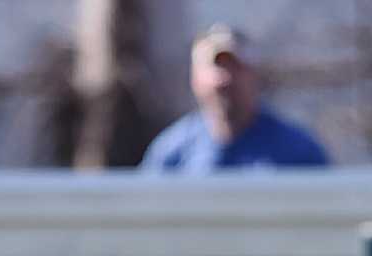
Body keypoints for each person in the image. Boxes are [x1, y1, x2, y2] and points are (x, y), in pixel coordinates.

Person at [138, 25, 328, 173]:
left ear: (254, 75)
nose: (225, 79)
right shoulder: (172, 154)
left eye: (235, 68)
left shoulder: (297, 150)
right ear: (194, 79)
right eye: (216, 68)